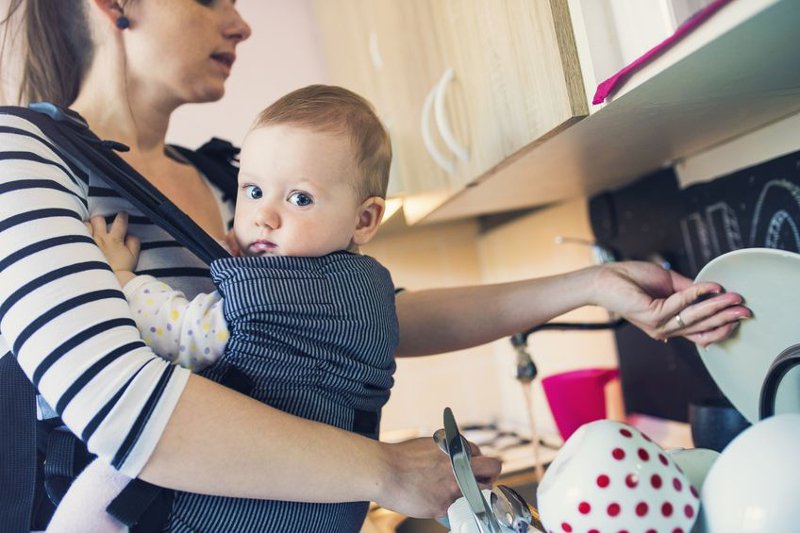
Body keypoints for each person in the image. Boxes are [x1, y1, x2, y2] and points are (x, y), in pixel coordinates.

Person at [0, 1, 749, 531]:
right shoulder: (25, 154)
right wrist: (385, 469)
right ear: (115, 3)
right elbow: (119, 402)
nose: (242, 21)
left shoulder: (237, 181)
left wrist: (592, 286)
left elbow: (375, 315)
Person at [49, 83, 411, 531]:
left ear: (364, 219)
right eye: (254, 191)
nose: (264, 216)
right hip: (330, 505)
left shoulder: (268, 299)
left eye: (300, 199)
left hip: (233, 498)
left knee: (102, 487)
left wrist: (123, 279)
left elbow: (183, 333)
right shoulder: (369, 289)